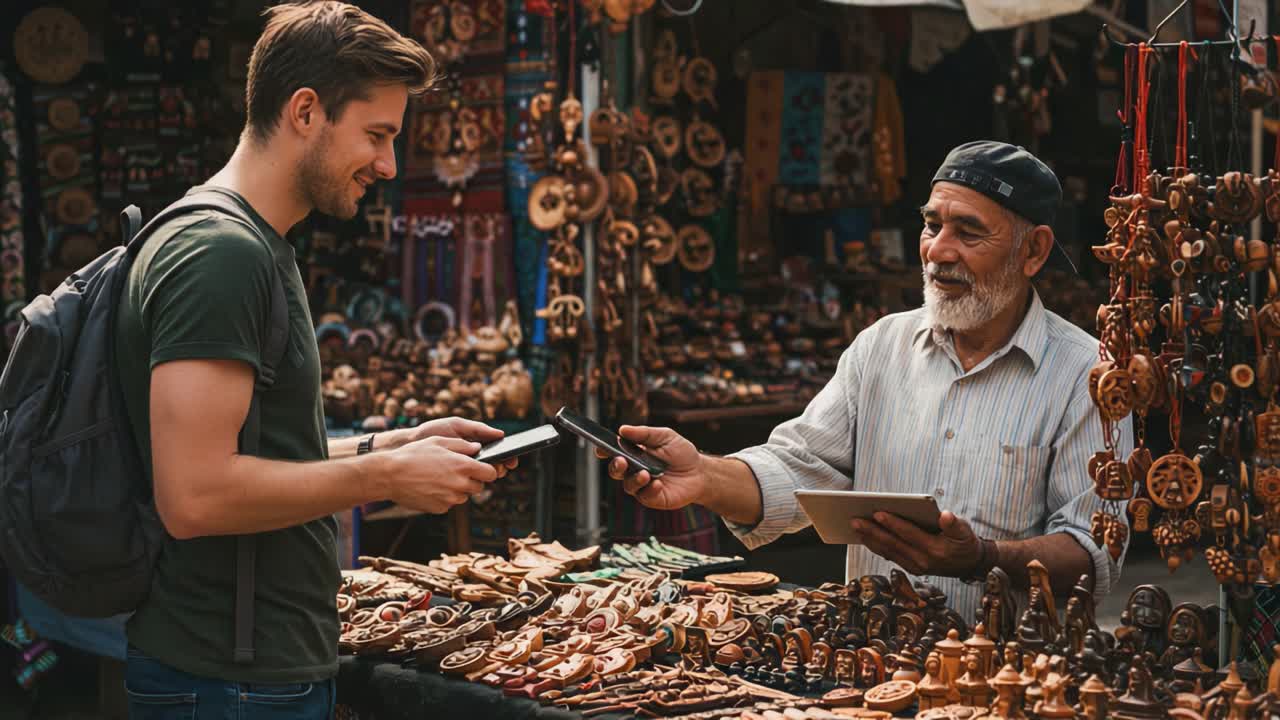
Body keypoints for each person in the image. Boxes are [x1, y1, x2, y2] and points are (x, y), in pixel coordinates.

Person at [114, 3, 513, 717]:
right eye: (377, 135)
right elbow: (195, 494)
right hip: (227, 680)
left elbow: (254, 450)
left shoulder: (253, 245)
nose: (389, 165)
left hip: (247, 671)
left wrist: (386, 444)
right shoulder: (220, 254)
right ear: (305, 111)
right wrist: (383, 474)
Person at [599, 141, 1133, 623]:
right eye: (932, 225)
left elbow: (1093, 552)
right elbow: (801, 466)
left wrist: (982, 560)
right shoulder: (881, 347)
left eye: (969, 232)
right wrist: (705, 476)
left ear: (1033, 251)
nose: (939, 251)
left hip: (1006, 679)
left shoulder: (1087, 376)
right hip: (871, 663)